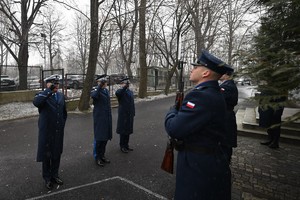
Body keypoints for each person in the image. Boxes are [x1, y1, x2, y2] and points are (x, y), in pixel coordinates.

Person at [164, 50, 233, 200]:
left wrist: (172, 112)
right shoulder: (213, 92)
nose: (191, 69)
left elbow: (175, 129)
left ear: (205, 73)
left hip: (198, 165)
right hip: (209, 160)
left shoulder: (201, 95)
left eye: (195, 67)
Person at [33, 76, 67, 190]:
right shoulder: (41, 95)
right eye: (53, 83)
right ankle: (47, 178)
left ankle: (55, 175)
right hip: (47, 132)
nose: (56, 85)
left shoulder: (61, 96)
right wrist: (48, 90)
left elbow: (64, 112)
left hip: (58, 131)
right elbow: (37, 103)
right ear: (47, 84)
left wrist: (62, 124)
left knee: (56, 154)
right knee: (47, 155)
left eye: (57, 83)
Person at [91, 74, 112, 166]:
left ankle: (102, 155)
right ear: (98, 82)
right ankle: (97, 157)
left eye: (106, 82)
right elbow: (94, 96)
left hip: (106, 117)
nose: (105, 83)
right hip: (99, 117)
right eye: (104, 82)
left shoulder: (106, 91)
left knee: (105, 138)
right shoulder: (95, 90)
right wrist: (99, 86)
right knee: (99, 138)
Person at [219, 71, 238, 162]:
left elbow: (219, 100)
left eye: (222, 73)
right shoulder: (228, 85)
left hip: (226, 116)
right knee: (225, 141)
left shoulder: (226, 86)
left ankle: (224, 163)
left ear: (227, 75)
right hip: (227, 114)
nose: (220, 75)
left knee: (225, 142)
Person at [115, 77, 135, 153]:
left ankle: (126, 145)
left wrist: (133, 113)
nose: (127, 85)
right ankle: (122, 146)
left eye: (128, 83)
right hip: (123, 114)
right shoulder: (120, 91)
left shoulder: (130, 92)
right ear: (122, 84)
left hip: (129, 114)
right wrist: (124, 88)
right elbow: (118, 94)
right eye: (125, 83)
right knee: (123, 130)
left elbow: (132, 103)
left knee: (128, 130)